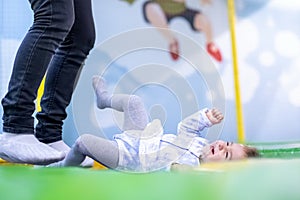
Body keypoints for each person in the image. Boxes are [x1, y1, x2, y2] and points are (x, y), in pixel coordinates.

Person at [46, 76, 259, 172]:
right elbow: (185, 128)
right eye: (228, 144)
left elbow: (177, 171)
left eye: (227, 155)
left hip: (128, 157)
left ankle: (62, 168)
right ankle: (104, 99)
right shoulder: (197, 144)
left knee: (84, 143)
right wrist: (204, 118)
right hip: (141, 136)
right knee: (134, 102)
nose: (222, 146)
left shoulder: (192, 167)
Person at [0, 0, 96, 165]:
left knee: (80, 36)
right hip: (16, 128)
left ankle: (49, 135)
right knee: (54, 15)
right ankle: (16, 127)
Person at [142, 0, 222, 62]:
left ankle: (210, 44)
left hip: (182, 10)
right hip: (161, 10)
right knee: (150, 8)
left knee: (204, 21)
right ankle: (172, 42)